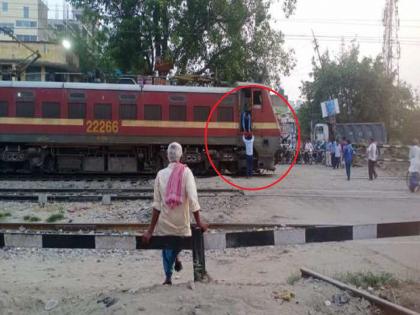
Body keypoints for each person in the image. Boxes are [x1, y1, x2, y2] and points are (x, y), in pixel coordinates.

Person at [142, 142, 208, 285]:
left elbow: (157, 205)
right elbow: (193, 200)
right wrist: (199, 223)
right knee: (181, 236)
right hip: (182, 226)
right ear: (181, 156)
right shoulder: (186, 172)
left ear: (167, 157)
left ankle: (168, 277)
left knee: (167, 244)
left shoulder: (160, 175)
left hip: (165, 226)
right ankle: (183, 261)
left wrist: (150, 231)